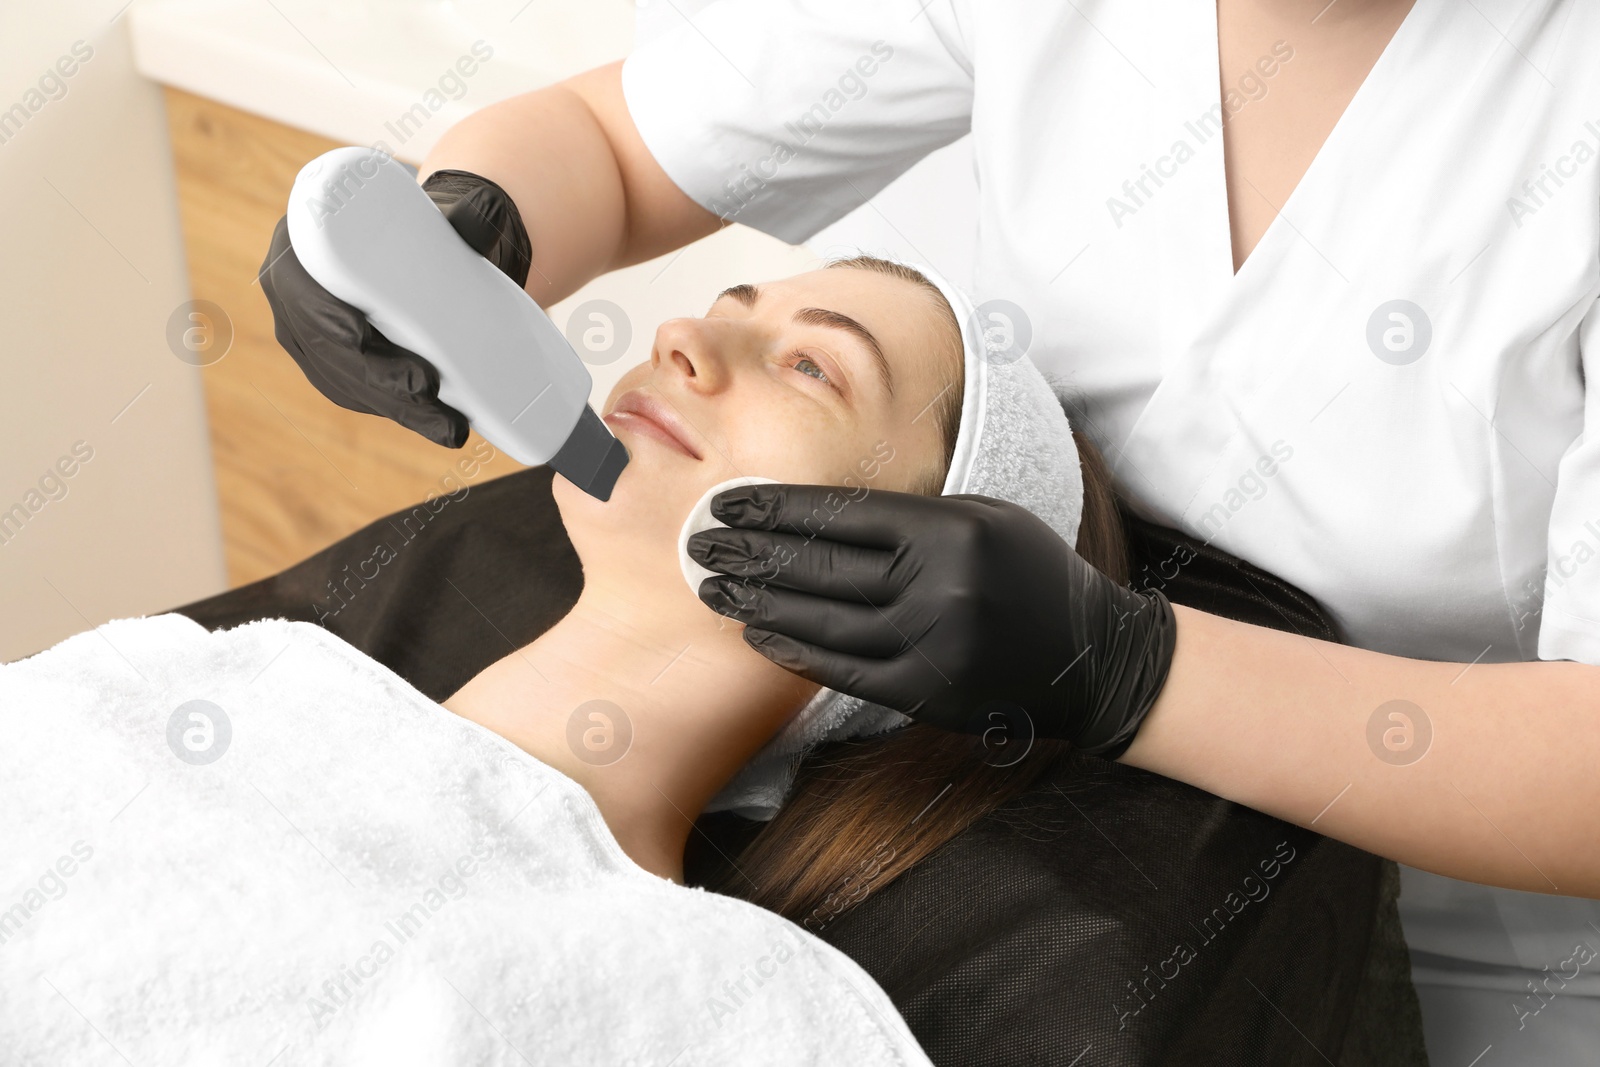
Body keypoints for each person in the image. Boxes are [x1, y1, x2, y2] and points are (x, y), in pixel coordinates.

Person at [259, 1, 1600, 1060]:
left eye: (814, 366)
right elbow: (610, 145)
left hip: (1471, 933)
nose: (680, 338)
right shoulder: (203, 715)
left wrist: (1126, 667)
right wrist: (467, 229)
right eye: (734, 311)